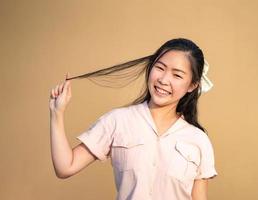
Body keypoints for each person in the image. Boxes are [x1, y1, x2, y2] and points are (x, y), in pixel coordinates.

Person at [49, 38, 217, 200]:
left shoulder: (198, 140)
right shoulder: (118, 121)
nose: (164, 80)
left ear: (192, 85)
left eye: (177, 75)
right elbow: (65, 167)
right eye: (160, 67)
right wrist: (57, 113)